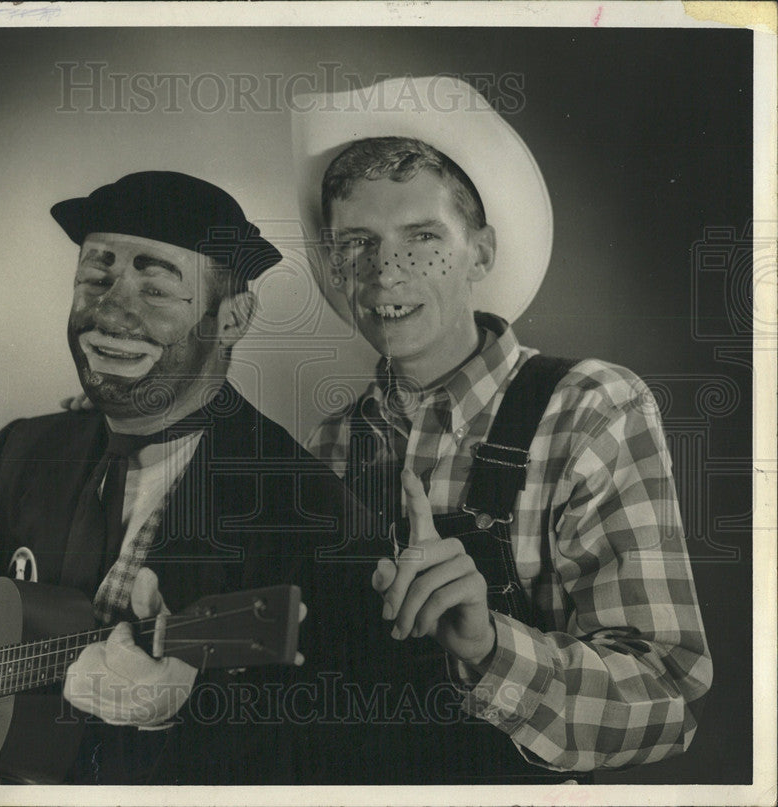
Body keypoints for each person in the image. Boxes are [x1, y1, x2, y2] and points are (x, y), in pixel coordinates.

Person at [0, 171, 373, 786]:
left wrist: (186, 711)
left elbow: (350, 744)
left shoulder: (310, 506)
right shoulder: (23, 453)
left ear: (234, 318)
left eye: (156, 289)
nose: (110, 311)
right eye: (95, 278)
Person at [290, 76, 713, 779]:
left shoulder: (592, 407)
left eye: (421, 238)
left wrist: (490, 649)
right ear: (335, 267)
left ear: (480, 253)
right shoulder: (328, 445)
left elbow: (665, 695)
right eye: (357, 242)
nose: (385, 272)